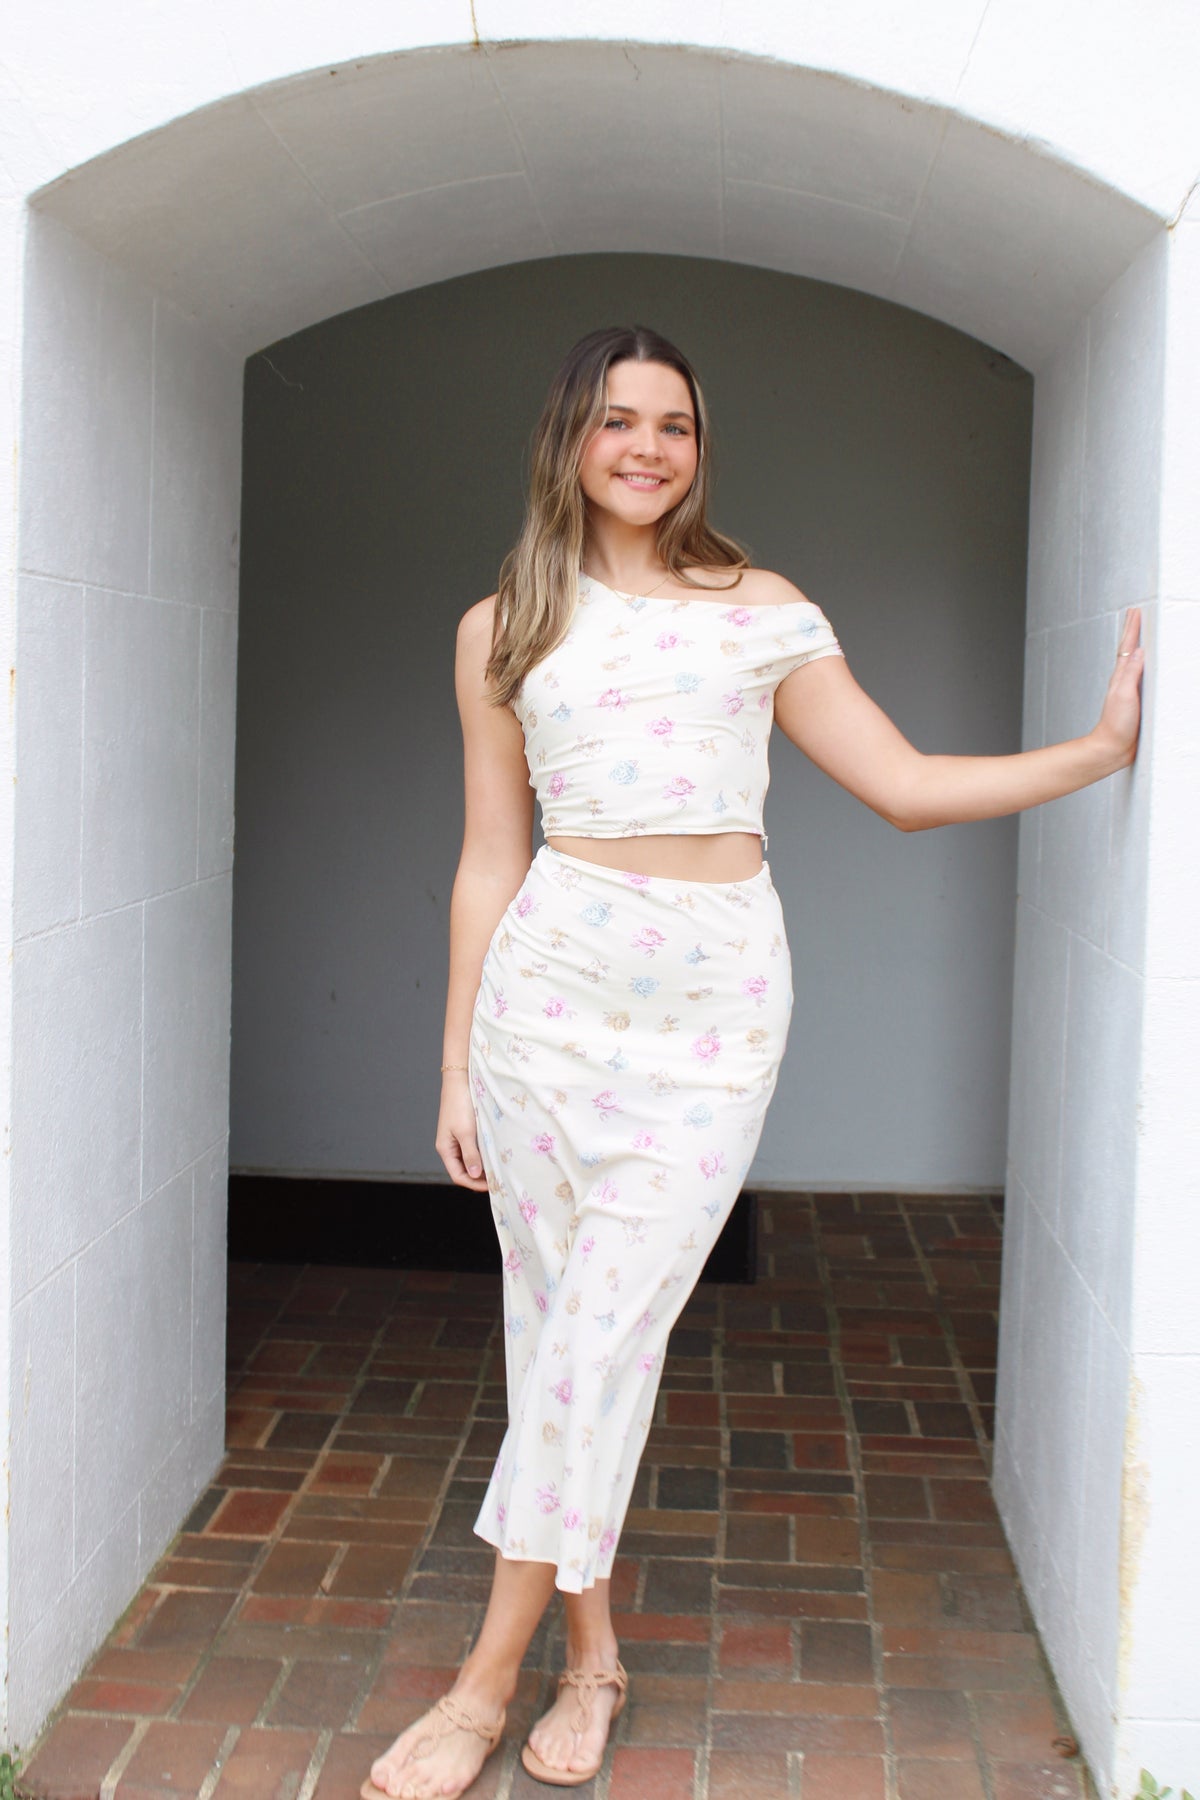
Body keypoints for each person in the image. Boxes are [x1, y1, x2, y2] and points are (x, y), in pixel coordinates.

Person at [361, 325, 1143, 1800]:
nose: (647, 449)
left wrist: (1095, 754)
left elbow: (905, 786)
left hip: (711, 1021)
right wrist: (456, 1064)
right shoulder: (500, 627)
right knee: (561, 1343)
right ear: (569, 441)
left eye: (675, 426)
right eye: (618, 421)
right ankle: (593, 1659)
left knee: (601, 1339)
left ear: (699, 450)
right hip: (543, 1014)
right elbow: (488, 856)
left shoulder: (761, 610)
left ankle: (479, 1685)